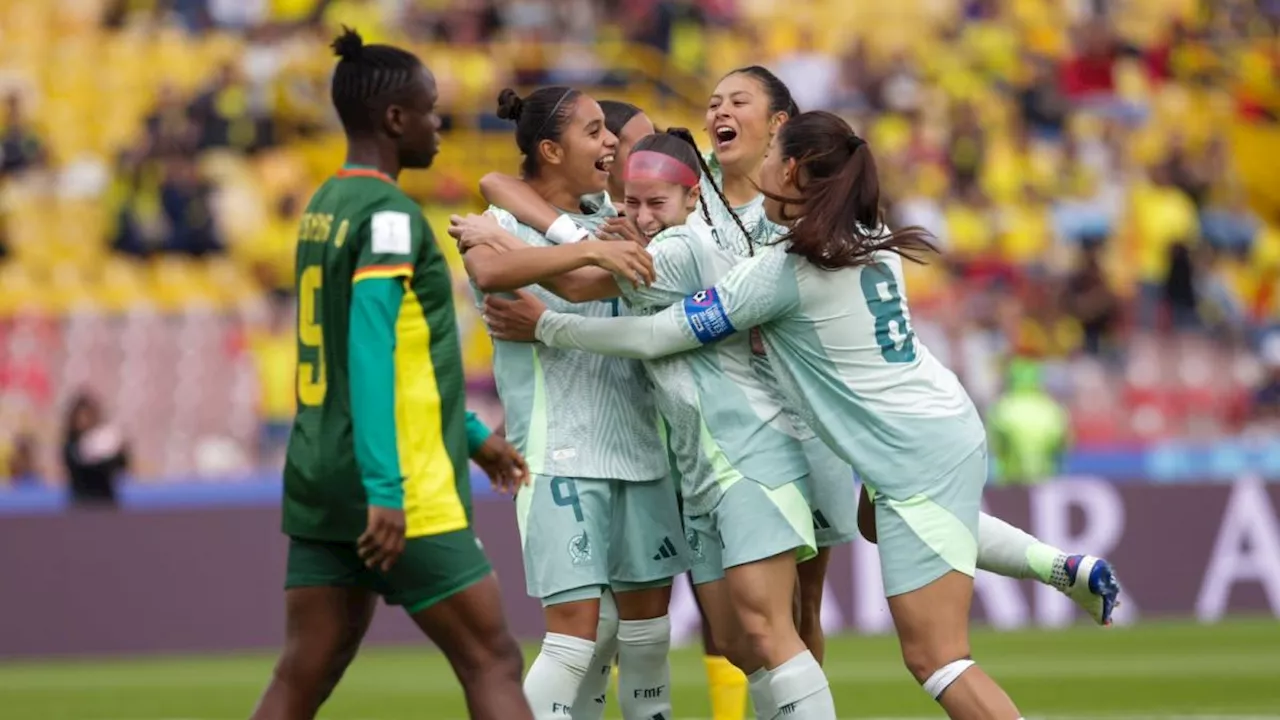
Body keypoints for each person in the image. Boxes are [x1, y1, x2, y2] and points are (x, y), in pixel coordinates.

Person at [484, 111, 1124, 719]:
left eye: (771, 147)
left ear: (790, 171)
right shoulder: (865, 238)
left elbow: (648, 324)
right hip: (923, 426)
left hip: (879, 445)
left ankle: (1053, 573)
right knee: (866, 540)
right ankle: (1058, 567)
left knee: (933, 658)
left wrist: (549, 324)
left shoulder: (784, 269)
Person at [458, 128, 839, 720]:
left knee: (769, 634)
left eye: (654, 203)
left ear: (691, 201)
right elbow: (498, 181)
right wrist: (565, 231)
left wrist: (508, 252)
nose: (639, 215)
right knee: (742, 644)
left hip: (747, 454)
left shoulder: (682, 250)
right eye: (630, 202)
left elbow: (592, 292)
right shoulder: (648, 233)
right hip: (700, 470)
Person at [247, 29, 533, 720]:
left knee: (300, 677)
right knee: (492, 659)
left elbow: (378, 354)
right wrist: (385, 488)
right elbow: (372, 350)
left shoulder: (324, 207)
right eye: (432, 110)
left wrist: (468, 432)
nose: (440, 125)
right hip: (395, 482)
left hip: (321, 472)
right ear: (396, 120)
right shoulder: (393, 219)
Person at [466, 86, 688, 720]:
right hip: (560, 449)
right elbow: (488, 272)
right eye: (595, 132)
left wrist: (604, 245)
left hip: (642, 448)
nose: (611, 142)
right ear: (549, 149)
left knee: (646, 639)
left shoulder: (612, 216)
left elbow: (616, 275)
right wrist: (596, 249)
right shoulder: (496, 222)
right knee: (572, 638)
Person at [62, 391, 128, 508]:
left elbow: (121, 467)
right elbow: (80, 468)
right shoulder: (71, 446)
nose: (84, 421)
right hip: (81, 504)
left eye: (88, 416)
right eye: (81, 417)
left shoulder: (104, 440)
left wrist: (118, 452)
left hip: (105, 504)